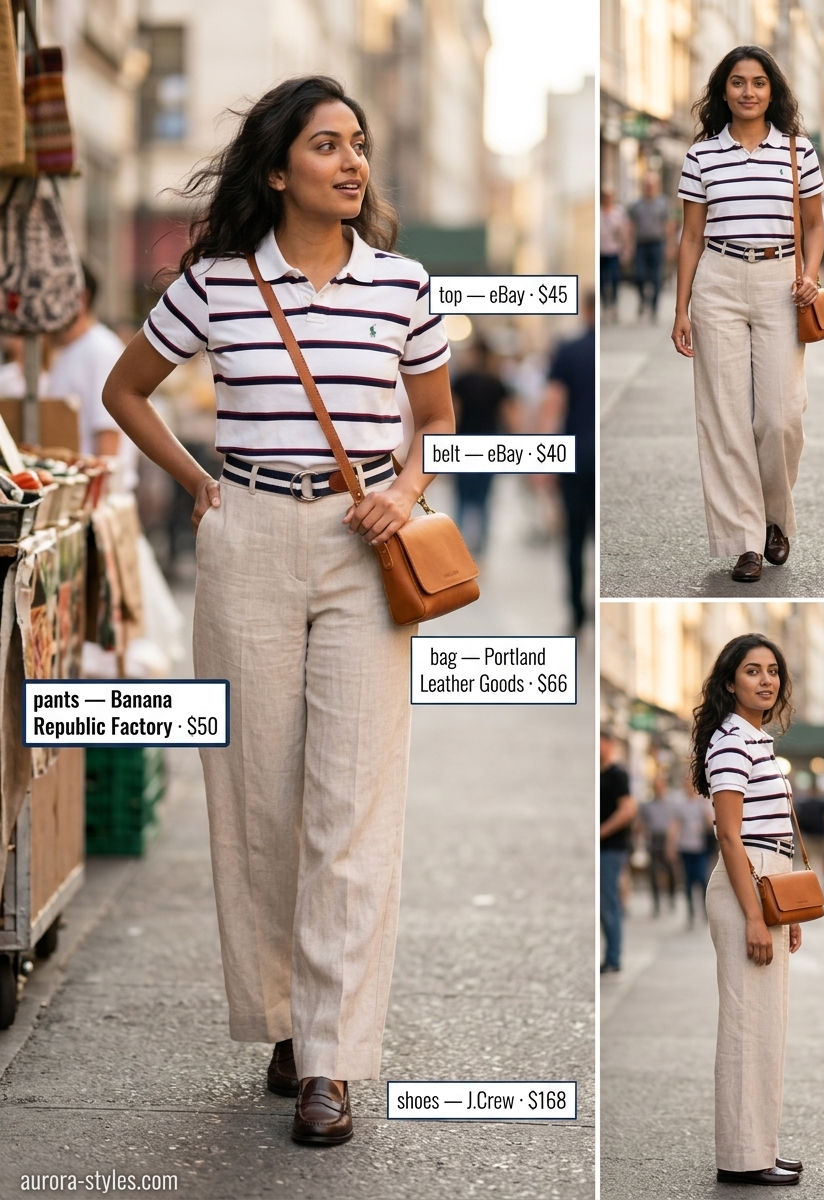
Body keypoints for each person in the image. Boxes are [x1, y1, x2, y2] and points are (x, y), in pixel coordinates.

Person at [103, 75, 455, 1147]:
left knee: (351, 807)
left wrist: (407, 490)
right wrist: (197, 481)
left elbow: (431, 421)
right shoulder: (213, 282)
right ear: (275, 169)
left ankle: (333, 1058)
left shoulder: (403, 284)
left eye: (357, 146)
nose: (350, 163)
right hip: (248, 536)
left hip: (366, 551)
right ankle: (285, 1022)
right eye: (324, 146)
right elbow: (126, 391)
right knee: (256, 797)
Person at [672, 46, 824, 584]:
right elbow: (690, 236)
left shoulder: (797, 151)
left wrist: (811, 275)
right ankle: (745, 542)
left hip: (781, 283)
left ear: (772, 91)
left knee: (779, 416)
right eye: (737, 82)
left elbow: (815, 227)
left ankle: (776, 518)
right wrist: (681, 308)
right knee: (725, 416)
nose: (747, 92)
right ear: (723, 91)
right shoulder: (701, 156)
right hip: (717, 282)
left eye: (758, 83)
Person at [692, 633, 804, 1186]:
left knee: (767, 1026)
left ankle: (760, 1146)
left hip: (767, 884)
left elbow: (773, 832)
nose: (766, 680)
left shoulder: (758, 740)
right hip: (746, 887)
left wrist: (786, 912)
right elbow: (731, 838)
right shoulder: (732, 741)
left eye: (773, 671)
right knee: (744, 1026)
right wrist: (758, 917)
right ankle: (741, 1157)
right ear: (730, 680)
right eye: (753, 670)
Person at [46, 262, 139, 491]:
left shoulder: (99, 350)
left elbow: (108, 435)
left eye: (53, 294)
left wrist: (95, 500)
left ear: (81, 299)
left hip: (97, 498)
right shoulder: (69, 350)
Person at [540, 292, 595, 631]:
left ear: (585, 310)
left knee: (573, 539)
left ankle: (576, 611)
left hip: (574, 459)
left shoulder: (568, 350)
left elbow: (552, 406)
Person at [450, 338, 516, 554]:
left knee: (461, 500)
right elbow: (509, 416)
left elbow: (453, 415)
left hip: (463, 446)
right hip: (489, 447)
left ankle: (460, 551)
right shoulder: (497, 382)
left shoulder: (462, 380)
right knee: (484, 501)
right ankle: (481, 552)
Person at [600, 729, 637, 974]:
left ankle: (613, 957)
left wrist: (602, 831)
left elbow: (627, 809)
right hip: (603, 846)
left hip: (611, 848)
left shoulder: (617, 774)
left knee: (607, 902)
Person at [668, 775, 715, 926]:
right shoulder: (679, 803)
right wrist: (671, 844)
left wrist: (707, 815)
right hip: (685, 846)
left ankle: (703, 909)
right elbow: (675, 824)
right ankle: (691, 912)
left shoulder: (703, 802)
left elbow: (710, 824)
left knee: (701, 878)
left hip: (700, 847)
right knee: (688, 880)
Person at [628, 173, 674, 320]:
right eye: (647, 185)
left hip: (657, 243)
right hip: (641, 244)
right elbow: (631, 225)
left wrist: (670, 245)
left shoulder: (663, 203)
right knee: (639, 276)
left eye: (652, 185)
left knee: (656, 278)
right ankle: (643, 300)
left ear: (657, 186)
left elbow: (669, 225)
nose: (649, 188)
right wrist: (628, 245)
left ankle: (653, 308)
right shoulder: (637, 205)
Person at [639, 773, 680, 916]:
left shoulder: (672, 804)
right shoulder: (646, 805)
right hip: (654, 838)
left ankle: (672, 898)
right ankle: (656, 902)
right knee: (653, 872)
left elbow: (675, 823)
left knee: (671, 870)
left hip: (667, 838)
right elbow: (642, 823)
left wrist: (672, 842)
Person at [599, 187, 629, 320]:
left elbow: (624, 231)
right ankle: (605, 305)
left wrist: (626, 248)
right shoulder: (598, 212)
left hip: (614, 250)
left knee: (614, 278)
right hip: (600, 251)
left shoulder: (618, 212)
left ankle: (614, 305)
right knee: (601, 280)